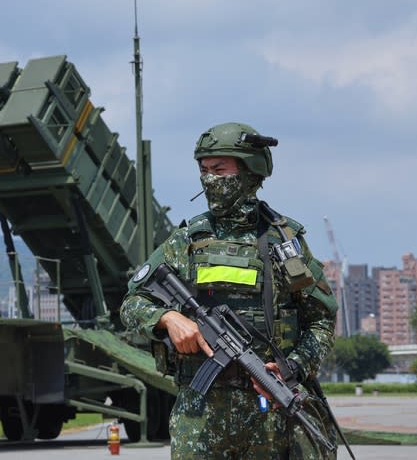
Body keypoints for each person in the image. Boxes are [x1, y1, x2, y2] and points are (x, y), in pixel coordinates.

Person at [120, 122, 338, 459]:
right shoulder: (188, 240)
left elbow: (321, 322)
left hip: (270, 415)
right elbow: (132, 303)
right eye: (203, 170)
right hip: (201, 415)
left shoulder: (284, 240)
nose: (209, 179)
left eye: (219, 169)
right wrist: (167, 318)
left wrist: (292, 367)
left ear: (250, 171)